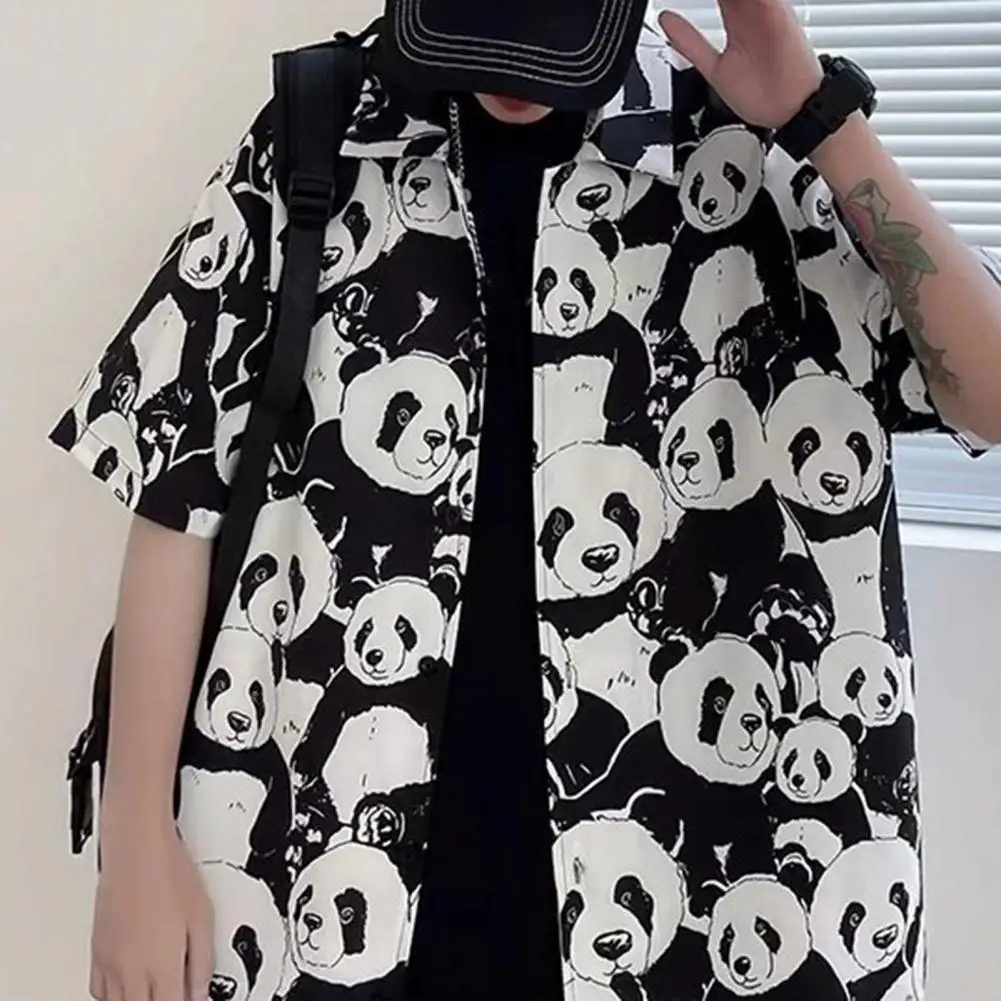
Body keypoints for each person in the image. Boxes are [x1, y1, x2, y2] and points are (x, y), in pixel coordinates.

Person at [49, 1, 1001, 1000]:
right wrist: (135, 841)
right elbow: (174, 484)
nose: (512, 70)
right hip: (341, 879)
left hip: (700, 897)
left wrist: (818, 118)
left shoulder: (745, 144)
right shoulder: (321, 129)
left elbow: (984, 392)